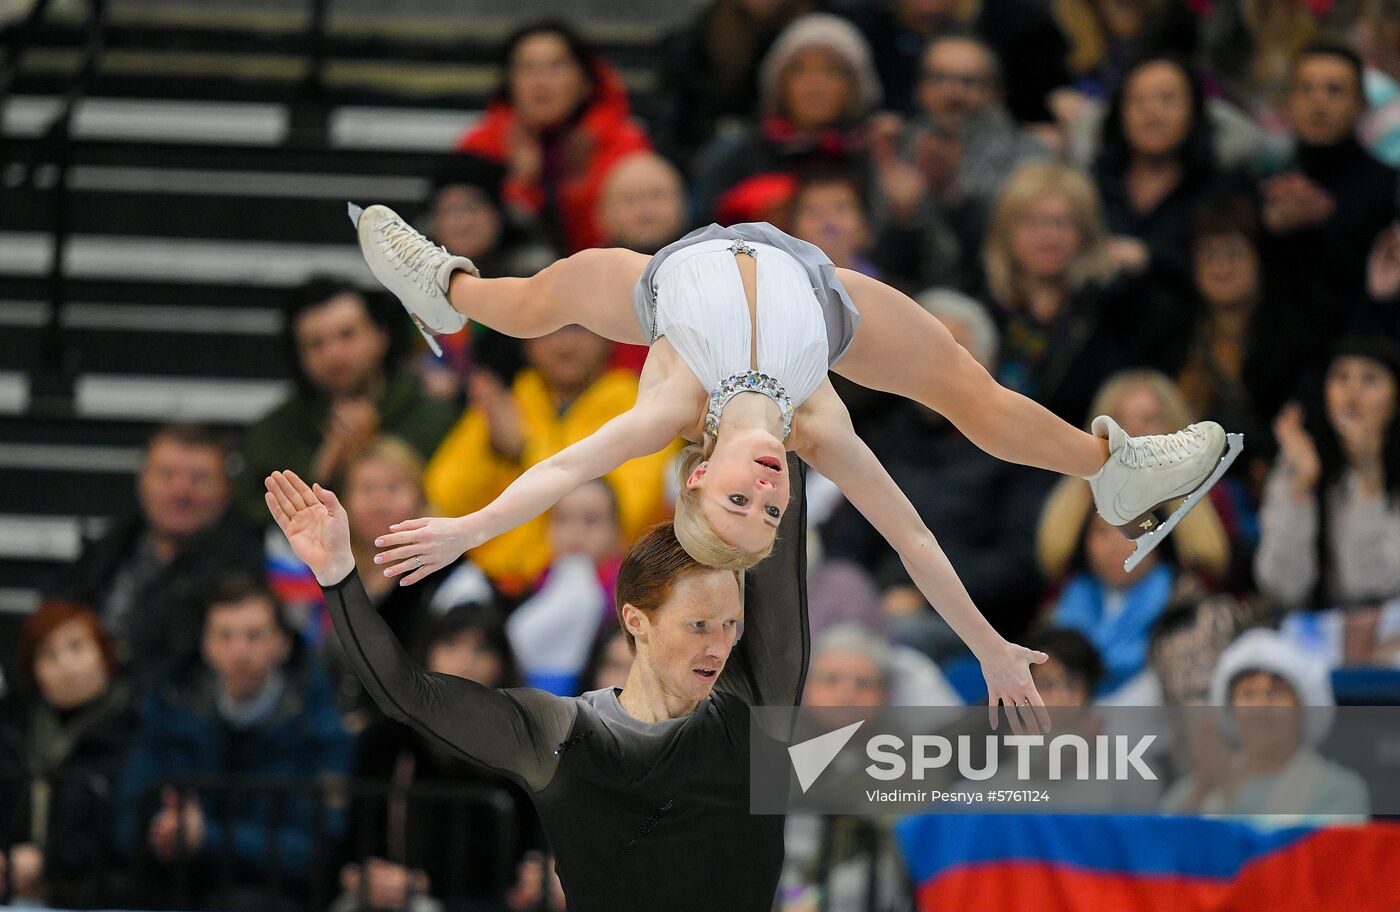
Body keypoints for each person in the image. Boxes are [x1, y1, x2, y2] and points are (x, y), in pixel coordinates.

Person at [351, 199, 1236, 712]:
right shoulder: (817, 427)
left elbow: (558, 471)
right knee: (974, 395)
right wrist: (991, 650)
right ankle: (1110, 472)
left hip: (667, 278)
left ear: (700, 474)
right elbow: (916, 540)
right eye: (772, 515)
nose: (768, 497)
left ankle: (444, 290)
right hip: (823, 293)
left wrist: (469, 527)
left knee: (543, 295)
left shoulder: (672, 405)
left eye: (739, 503)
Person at [266, 460, 971, 912]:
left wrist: (765, 430)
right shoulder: (558, 734)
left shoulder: (755, 710)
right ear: (635, 620)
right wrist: (336, 575)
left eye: (729, 624)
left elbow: (776, 548)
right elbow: (406, 695)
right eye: (698, 624)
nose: (721, 645)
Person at [116, 572, 352, 910]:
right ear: (205, 644)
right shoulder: (169, 709)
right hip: (174, 884)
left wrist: (208, 838)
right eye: (224, 636)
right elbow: (126, 823)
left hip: (275, 896)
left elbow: (316, 853)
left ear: (282, 644)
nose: (239, 651)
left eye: (254, 636)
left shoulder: (319, 729)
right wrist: (164, 833)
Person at [424, 322, 674, 593]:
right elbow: (443, 500)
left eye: (578, 329)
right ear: (525, 341)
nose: (564, 344)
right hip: (497, 583)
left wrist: (524, 449)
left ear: (609, 336)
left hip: (596, 588)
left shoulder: (640, 404)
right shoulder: (513, 400)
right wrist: (493, 451)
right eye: (548, 330)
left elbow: (627, 508)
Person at [238, 278, 456, 521]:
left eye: (347, 335)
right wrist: (323, 472)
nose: (334, 354)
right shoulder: (275, 433)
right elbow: (253, 518)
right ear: (299, 357)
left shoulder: (433, 418)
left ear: (381, 336)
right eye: (316, 343)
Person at [60, 424, 263, 684]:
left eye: (199, 478)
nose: (181, 491)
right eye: (166, 475)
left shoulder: (251, 567)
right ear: (142, 480)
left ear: (226, 489)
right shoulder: (106, 553)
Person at [456, 21, 651, 254]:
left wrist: (578, 187)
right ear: (509, 81)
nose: (541, 82)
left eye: (556, 67)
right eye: (527, 68)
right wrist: (519, 185)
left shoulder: (623, 144)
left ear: (585, 81)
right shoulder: (481, 145)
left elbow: (630, 240)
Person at [0, 601, 137, 907]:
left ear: (105, 652)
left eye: (77, 647)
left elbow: (122, 838)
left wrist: (42, 863)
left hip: (97, 895)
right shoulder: (16, 732)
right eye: (48, 654)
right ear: (32, 670)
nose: (66, 665)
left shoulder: (136, 729)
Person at [1160, 627, 1368, 826]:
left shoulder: (1338, 791)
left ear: (1302, 708)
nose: (1260, 707)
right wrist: (1202, 790)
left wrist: (1228, 790)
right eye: (1248, 695)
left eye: (1275, 694)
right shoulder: (1194, 788)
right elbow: (1158, 845)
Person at [1255, 337, 1400, 610]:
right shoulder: (1300, 456)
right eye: (1340, 377)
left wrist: (1370, 478)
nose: (1351, 392)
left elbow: (1371, 587)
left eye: (1370, 379)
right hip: (1319, 633)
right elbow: (1281, 589)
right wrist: (1302, 486)